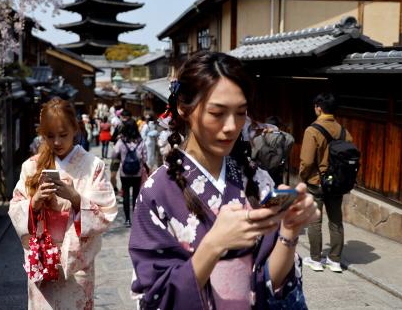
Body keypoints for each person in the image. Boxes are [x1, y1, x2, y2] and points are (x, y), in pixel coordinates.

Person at [129, 51, 319, 309]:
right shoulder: (156, 192)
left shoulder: (257, 179)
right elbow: (155, 299)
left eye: (240, 113)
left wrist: (289, 230)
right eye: (217, 113)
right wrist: (215, 244)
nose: (231, 126)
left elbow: (269, 285)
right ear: (184, 109)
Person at [9, 97, 117, 310]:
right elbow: (15, 207)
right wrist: (35, 202)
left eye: (63, 135)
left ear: (75, 129)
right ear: (42, 134)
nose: (57, 142)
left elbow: (107, 212)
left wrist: (76, 198)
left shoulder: (92, 165)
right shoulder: (31, 167)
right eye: (50, 136)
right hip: (42, 261)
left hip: (77, 264)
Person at [300, 93, 352, 273]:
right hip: (337, 183)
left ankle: (316, 260)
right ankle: (335, 260)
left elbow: (306, 161)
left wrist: (303, 177)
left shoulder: (312, 130)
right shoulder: (344, 131)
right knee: (336, 221)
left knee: (315, 221)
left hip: (317, 181)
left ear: (318, 108)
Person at [112, 120, 148, 227]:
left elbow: (113, 155)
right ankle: (136, 218)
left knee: (126, 195)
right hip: (137, 172)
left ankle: (127, 219)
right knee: (136, 195)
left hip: (125, 173)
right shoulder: (140, 141)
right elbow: (145, 158)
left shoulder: (121, 141)